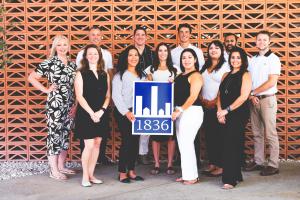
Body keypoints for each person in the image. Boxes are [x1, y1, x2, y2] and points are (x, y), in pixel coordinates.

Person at [28, 35, 77, 180]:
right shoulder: (49, 63)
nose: (62, 48)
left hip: (69, 104)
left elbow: (76, 86)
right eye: (59, 45)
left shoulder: (73, 64)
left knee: (65, 135)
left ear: (68, 46)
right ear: (55, 47)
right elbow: (31, 77)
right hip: (55, 104)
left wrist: (75, 104)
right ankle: (53, 170)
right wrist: (46, 90)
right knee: (54, 135)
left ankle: (61, 166)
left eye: (65, 45)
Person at [244, 31, 281, 176]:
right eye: (259, 40)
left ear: (269, 42)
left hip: (267, 99)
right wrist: (251, 95)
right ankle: (259, 161)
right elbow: (249, 81)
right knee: (257, 133)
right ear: (256, 42)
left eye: (264, 40)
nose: (261, 42)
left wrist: (254, 93)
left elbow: (272, 81)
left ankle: (273, 164)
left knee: (270, 133)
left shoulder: (273, 59)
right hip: (254, 100)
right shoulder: (252, 60)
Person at [76, 26, 114, 165]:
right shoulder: (81, 54)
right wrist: (77, 102)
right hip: (87, 95)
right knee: (86, 135)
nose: (96, 37)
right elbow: (78, 79)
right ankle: (85, 159)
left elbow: (110, 73)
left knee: (101, 132)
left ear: (101, 36)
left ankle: (101, 157)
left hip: (102, 95)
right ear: (89, 36)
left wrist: (110, 98)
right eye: (93, 35)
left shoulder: (107, 54)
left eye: (98, 35)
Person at [74, 44, 111, 187]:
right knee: (88, 145)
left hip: (101, 113)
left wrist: (101, 111)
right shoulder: (80, 73)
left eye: (95, 53)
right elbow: (80, 96)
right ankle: (84, 177)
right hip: (86, 114)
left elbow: (108, 96)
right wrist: (92, 113)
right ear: (85, 56)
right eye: (90, 53)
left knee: (97, 144)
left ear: (99, 56)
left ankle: (91, 174)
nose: (93, 56)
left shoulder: (104, 74)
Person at [117, 26, 154, 165]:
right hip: (128, 104)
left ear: (146, 37)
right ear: (133, 37)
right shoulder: (125, 53)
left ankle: (142, 154)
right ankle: (127, 165)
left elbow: (152, 72)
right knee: (129, 138)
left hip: (144, 96)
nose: (140, 37)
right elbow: (120, 74)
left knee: (144, 129)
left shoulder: (151, 53)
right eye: (137, 35)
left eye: (142, 35)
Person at [217, 47, 252, 189]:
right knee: (230, 143)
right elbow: (219, 95)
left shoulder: (246, 74)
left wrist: (227, 110)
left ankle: (230, 179)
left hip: (238, 113)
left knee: (231, 144)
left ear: (243, 60)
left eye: (238, 57)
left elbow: (244, 97)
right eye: (233, 57)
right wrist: (219, 111)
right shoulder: (225, 74)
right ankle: (237, 174)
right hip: (223, 113)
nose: (235, 60)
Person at [112, 45, 147, 183]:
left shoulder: (143, 75)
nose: (133, 58)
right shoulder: (119, 75)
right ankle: (122, 172)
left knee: (134, 142)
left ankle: (131, 171)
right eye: (130, 55)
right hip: (124, 112)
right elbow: (116, 96)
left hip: (138, 112)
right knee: (126, 142)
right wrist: (126, 112)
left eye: (136, 55)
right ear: (125, 58)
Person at [172, 48, 203, 185]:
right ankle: (187, 174)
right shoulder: (181, 75)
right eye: (184, 58)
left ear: (195, 59)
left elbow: (193, 96)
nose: (187, 60)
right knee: (183, 145)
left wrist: (180, 110)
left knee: (187, 144)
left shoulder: (196, 75)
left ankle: (192, 177)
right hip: (181, 112)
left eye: (190, 57)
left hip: (191, 111)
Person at [145, 43, 177, 175]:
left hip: (171, 107)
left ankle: (169, 164)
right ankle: (157, 164)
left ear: (168, 53)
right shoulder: (150, 69)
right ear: (157, 53)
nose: (162, 53)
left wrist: (174, 83)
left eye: (165, 51)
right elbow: (147, 86)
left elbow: (179, 88)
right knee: (155, 137)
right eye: (160, 51)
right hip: (155, 107)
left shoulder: (175, 70)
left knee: (171, 136)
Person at [199, 40, 230, 177]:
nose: (213, 50)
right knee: (209, 136)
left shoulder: (226, 66)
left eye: (217, 48)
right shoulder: (204, 67)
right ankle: (213, 163)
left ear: (222, 50)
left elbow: (225, 88)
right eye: (211, 48)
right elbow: (199, 84)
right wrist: (202, 99)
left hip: (219, 107)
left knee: (220, 137)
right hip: (205, 106)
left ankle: (222, 166)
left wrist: (214, 102)